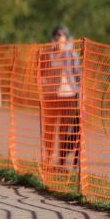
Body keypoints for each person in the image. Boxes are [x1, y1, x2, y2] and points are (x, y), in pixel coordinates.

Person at [40, 25, 82, 169]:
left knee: (64, 131)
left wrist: (80, 94)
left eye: (61, 35)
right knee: (49, 130)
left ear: (66, 37)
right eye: (57, 35)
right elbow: (42, 72)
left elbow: (78, 75)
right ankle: (48, 160)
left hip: (67, 95)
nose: (59, 37)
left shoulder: (71, 55)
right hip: (51, 96)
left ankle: (61, 163)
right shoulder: (47, 53)